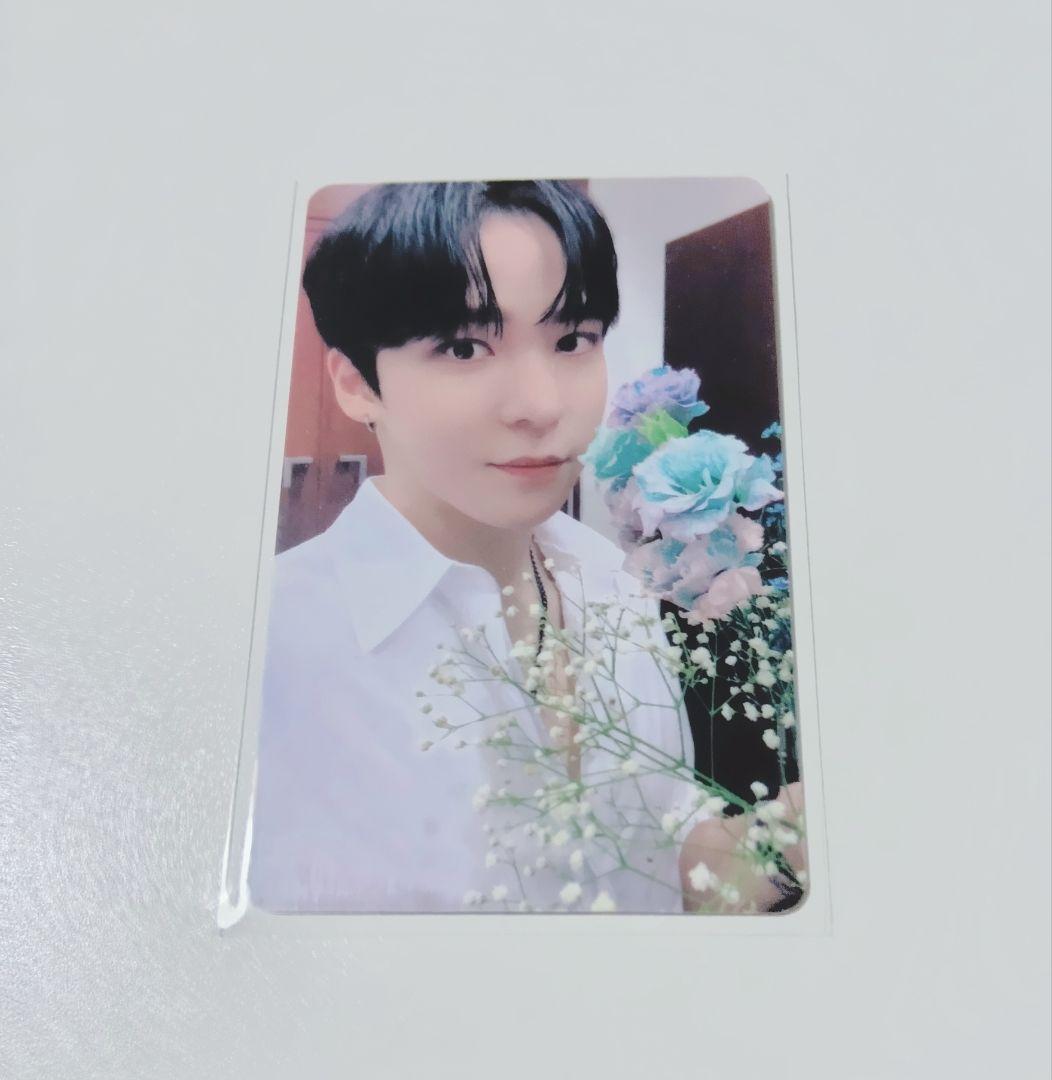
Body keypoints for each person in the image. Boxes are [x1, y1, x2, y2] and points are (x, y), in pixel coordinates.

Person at [247, 180, 805, 914]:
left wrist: (790, 841)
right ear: (357, 385)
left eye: (573, 340)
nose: (543, 405)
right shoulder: (267, 651)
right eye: (464, 347)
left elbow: (656, 858)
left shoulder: (611, 580)